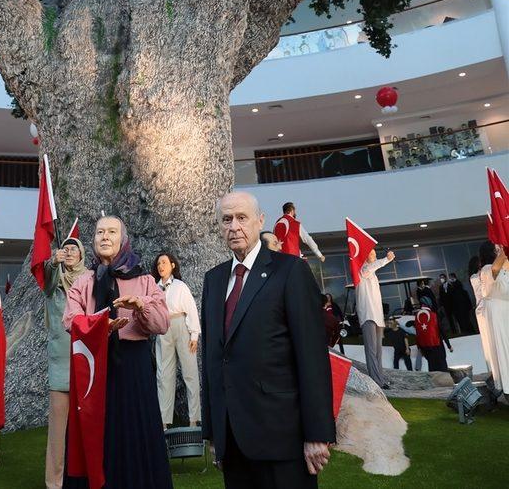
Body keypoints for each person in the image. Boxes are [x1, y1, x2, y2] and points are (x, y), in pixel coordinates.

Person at [201, 191, 334, 489]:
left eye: (241, 218)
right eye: (226, 219)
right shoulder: (214, 280)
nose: (234, 226)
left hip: (282, 438)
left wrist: (317, 432)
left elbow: (312, 357)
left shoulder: (290, 271)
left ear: (260, 221)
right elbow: (212, 357)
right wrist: (214, 431)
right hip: (232, 441)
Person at [63, 215, 172, 489]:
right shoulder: (83, 281)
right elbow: (70, 320)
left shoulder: (145, 280)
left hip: (133, 366)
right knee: (95, 432)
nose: (105, 237)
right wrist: (101, 325)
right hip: (94, 367)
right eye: (100, 232)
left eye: (112, 232)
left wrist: (140, 305)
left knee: (135, 432)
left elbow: (162, 324)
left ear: (123, 240)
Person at [43, 237, 88, 489]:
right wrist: (52, 263)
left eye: (75, 249)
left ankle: (85, 478)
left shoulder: (89, 280)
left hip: (84, 361)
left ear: (82, 255)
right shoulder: (55, 281)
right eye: (66, 249)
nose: (70, 252)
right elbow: (47, 279)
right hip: (61, 363)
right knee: (58, 432)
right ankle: (54, 483)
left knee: (86, 428)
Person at [152, 251, 201, 429]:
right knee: (164, 374)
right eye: (158, 264)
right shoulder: (154, 288)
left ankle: (194, 419)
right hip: (163, 327)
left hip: (181, 324)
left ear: (172, 265)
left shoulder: (180, 286)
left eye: (164, 262)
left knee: (190, 372)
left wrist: (194, 335)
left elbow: (191, 310)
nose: (161, 266)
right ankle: (164, 422)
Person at [355, 247, 395, 389]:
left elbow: (374, 266)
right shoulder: (362, 270)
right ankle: (376, 381)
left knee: (378, 350)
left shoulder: (373, 274)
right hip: (367, 316)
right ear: (366, 256)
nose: (375, 256)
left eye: (375, 254)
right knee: (371, 350)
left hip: (377, 316)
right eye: (372, 254)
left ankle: (380, 378)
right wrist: (386, 260)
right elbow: (372, 266)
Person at [480, 242, 509, 394]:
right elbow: (495, 269)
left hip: (506, 312)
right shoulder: (486, 270)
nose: (500, 251)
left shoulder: (505, 267)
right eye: (497, 249)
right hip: (499, 317)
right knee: (505, 352)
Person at [469, 250, 500, 381]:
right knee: (492, 340)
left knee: (489, 341)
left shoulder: (474, 276)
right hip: (485, 307)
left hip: (481, 309)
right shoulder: (481, 275)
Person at [415, 300, 453, 372]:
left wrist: (419, 347)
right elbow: (442, 331)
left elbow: (417, 333)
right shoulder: (433, 315)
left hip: (424, 346)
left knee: (431, 366)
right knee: (442, 365)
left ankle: (434, 381)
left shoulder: (417, 316)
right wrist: (449, 345)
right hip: (436, 345)